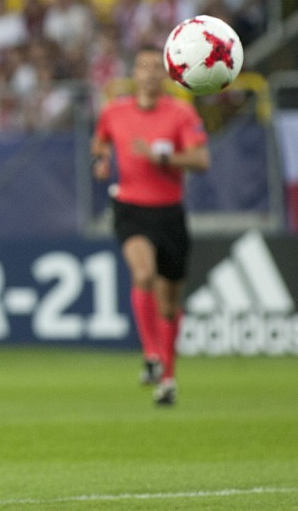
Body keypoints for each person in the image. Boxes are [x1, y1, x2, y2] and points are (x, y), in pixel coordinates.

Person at [91, 46, 210, 406]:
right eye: (142, 66)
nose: (148, 73)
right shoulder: (114, 110)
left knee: (170, 304)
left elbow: (201, 160)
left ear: (166, 74)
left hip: (169, 212)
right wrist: (101, 160)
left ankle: (168, 379)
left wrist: (162, 156)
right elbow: (100, 142)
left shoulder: (181, 113)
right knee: (143, 274)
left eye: (155, 67)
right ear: (134, 72)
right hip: (130, 207)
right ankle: (152, 356)